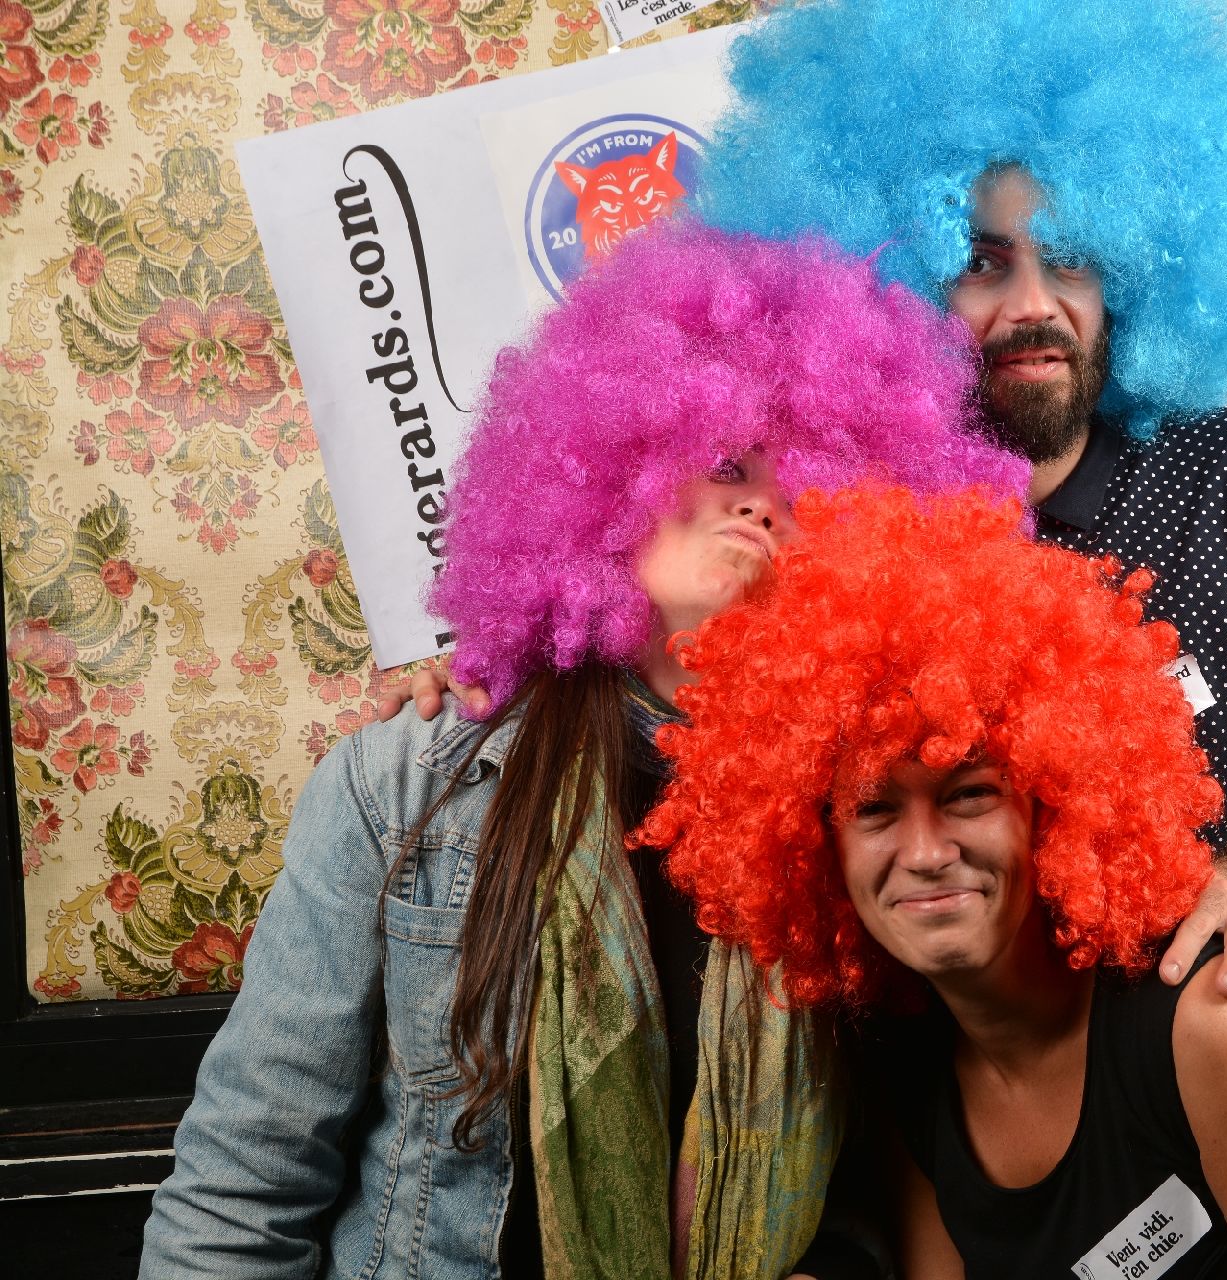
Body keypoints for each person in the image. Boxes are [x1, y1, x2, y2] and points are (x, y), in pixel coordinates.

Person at [140, 223, 1027, 1279]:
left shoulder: (870, 815)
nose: (761, 504)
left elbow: (892, 1161)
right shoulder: (407, 783)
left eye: (809, 493)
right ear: (612, 472)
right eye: (724, 462)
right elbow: (243, 1187)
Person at [694, 0, 1227, 1009]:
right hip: (948, 1058)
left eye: (1070, 256)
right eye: (979, 264)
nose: (1033, 305)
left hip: (1204, 1024)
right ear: (890, 284)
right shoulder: (840, 526)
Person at [644, 486, 1227, 1278]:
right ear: (821, 848)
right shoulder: (911, 1073)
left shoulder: (1218, 1019)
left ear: (1051, 805)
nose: (925, 852)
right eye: (873, 809)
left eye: (968, 795)